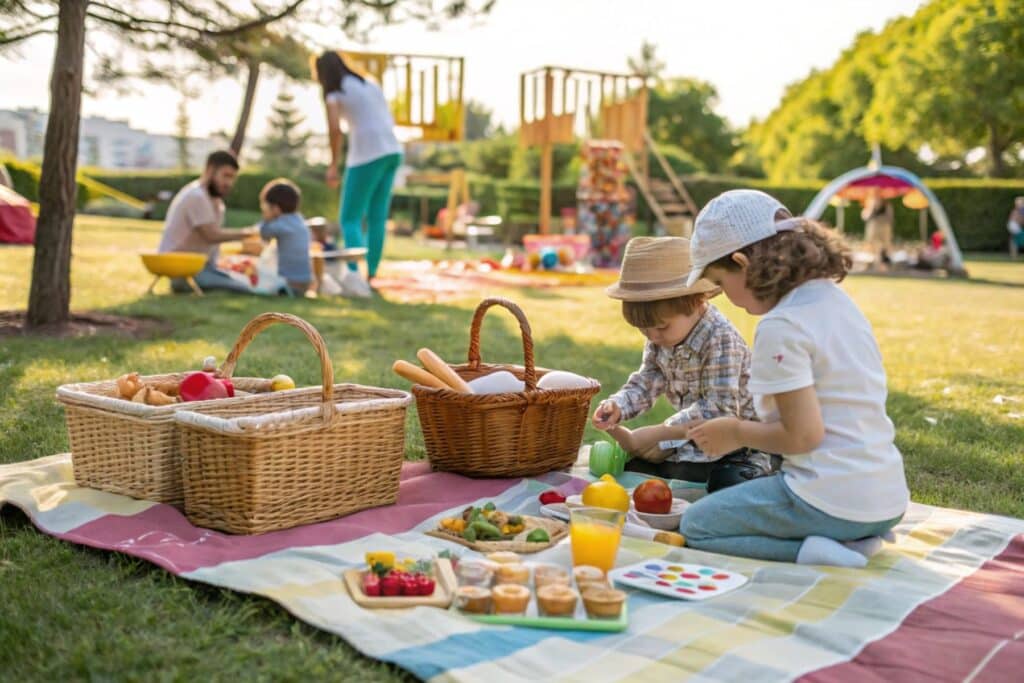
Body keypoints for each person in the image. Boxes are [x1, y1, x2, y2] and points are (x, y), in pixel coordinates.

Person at [676, 189, 909, 568]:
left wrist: (734, 431)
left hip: (831, 498)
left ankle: (817, 552)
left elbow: (803, 437)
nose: (724, 297)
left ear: (742, 263)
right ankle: (852, 539)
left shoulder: (781, 325)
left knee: (698, 524)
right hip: (887, 499)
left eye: (721, 282)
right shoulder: (834, 300)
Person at [591, 236, 775, 492]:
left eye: (660, 327)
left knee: (730, 484)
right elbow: (646, 382)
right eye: (643, 330)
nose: (653, 337)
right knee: (635, 472)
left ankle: (759, 474)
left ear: (696, 301)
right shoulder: (660, 338)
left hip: (737, 445)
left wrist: (661, 433)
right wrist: (618, 406)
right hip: (688, 440)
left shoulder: (720, 339)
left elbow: (718, 409)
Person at [314, 51, 402, 286]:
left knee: (350, 218)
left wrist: (333, 164)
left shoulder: (334, 92)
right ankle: (371, 273)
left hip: (366, 153)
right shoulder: (370, 84)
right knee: (377, 217)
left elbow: (335, 129)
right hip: (392, 150)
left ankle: (353, 274)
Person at [158, 150, 257, 293]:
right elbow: (211, 235)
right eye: (226, 176)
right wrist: (248, 233)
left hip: (202, 267)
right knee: (247, 287)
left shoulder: (215, 201)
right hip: (182, 268)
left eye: (233, 178)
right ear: (210, 170)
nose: (229, 183)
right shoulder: (197, 196)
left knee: (245, 277)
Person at [258, 179, 312, 295]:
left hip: (289, 283)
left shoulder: (281, 224)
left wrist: (266, 219)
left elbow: (263, 233)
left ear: (276, 208)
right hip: (305, 282)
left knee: (259, 276)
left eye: (266, 207)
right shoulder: (300, 220)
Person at [861, 190, 894, 269]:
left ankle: (884, 265)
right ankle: (872, 264)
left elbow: (890, 218)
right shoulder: (870, 204)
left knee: (884, 247)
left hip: (884, 228)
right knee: (871, 246)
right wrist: (872, 208)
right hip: (874, 228)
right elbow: (865, 216)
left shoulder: (887, 205)